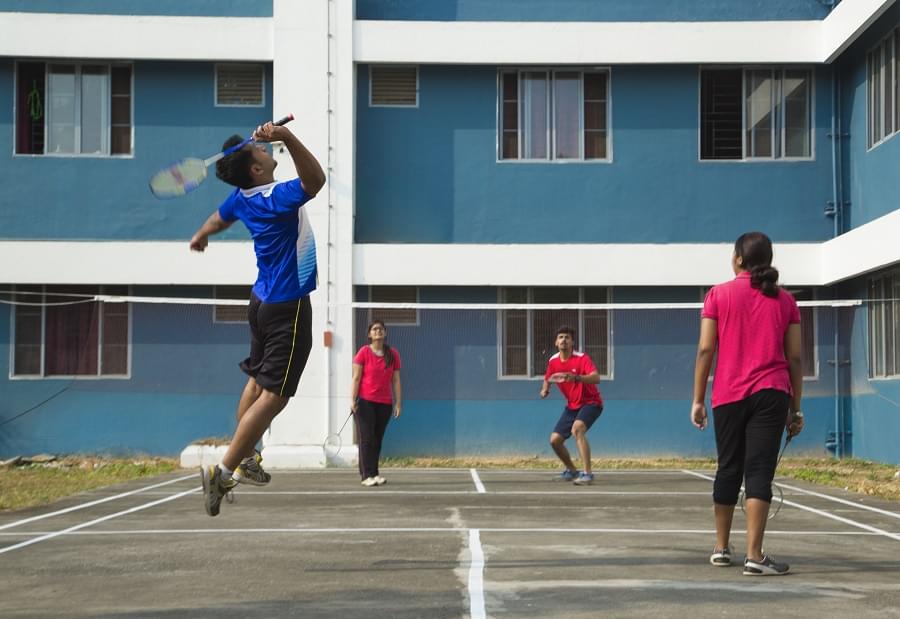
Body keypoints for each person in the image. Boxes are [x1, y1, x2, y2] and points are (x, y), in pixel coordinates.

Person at [189, 121, 326, 516]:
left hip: (261, 302)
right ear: (256, 169)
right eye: (262, 151)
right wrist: (287, 137)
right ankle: (225, 469)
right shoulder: (274, 198)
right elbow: (314, 181)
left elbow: (219, 216)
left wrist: (202, 234)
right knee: (274, 395)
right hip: (288, 305)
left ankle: (245, 454)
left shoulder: (243, 197)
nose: (267, 150)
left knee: (256, 380)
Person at [691, 231, 805, 575]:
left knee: (728, 468)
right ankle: (755, 556)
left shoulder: (718, 295)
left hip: (728, 394)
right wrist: (795, 408)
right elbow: (795, 358)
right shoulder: (785, 300)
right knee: (759, 471)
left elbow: (706, 350)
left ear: (739, 259)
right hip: (772, 394)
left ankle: (721, 548)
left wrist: (698, 400)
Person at [539, 325, 604, 486]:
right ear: (556, 342)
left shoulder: (582, 358)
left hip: (591, 402)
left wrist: (577, 378)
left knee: (577, 429)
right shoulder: (553, 361)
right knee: (555, 440)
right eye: (561, 337)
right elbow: (548, 376)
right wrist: (545, 389)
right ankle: (572, 470)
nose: (564, 340)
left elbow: (596, 378)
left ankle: (587, 474)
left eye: (567, 337)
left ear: (572, 342)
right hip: (572, 405)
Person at [350, 320, 402, 487]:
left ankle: (374, 473)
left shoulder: (392, 354)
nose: (378, 331)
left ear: (385, 333)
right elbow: (356, 378)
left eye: (381, 329)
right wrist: (352, 400)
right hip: (365, 402)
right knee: (367, 438)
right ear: (369, 334)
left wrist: (398, 403)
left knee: (377, 439)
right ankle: (366, 475)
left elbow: (395, 380)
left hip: (384, 403)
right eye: (375, 329)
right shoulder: (363, 352)